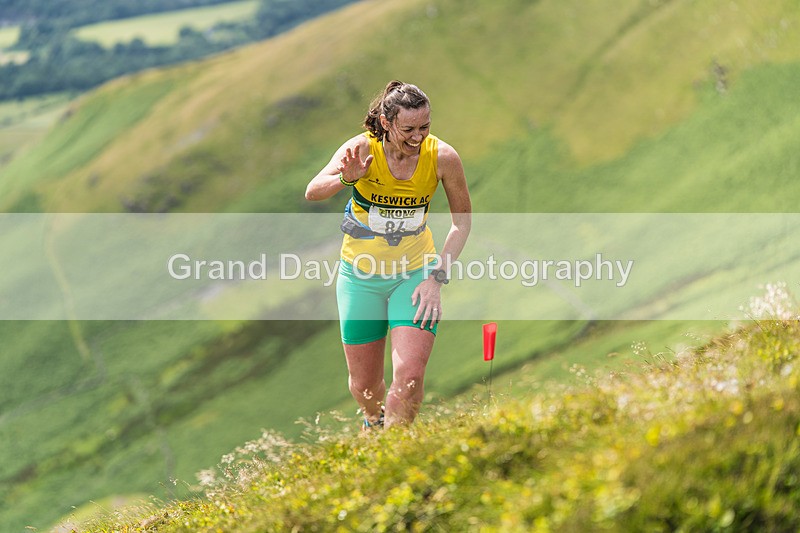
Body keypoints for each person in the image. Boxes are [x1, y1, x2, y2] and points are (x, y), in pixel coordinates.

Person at [305, 80, 471, 429]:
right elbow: (313, 192)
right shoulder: (361, 150)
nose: (418, 137)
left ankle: (394, 451)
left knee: (409, 376)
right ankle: (373, 423)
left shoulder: (442, 157)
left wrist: (436, 279)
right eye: (408, 129)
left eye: (425, 127)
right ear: (385, 122)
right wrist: (346, 180)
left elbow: (462, 223)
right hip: (360, 276)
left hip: (415, 274)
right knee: (365, 387)